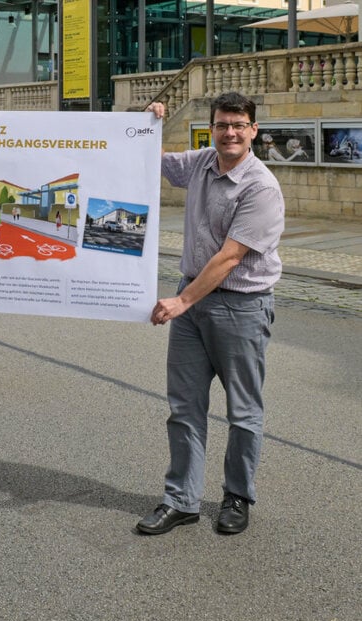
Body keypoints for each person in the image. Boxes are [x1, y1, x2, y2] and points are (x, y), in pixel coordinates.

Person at [138, 92, 284, 535]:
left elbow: (229, 258)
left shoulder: (261, 187)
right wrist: (147, 125)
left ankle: (237, 496)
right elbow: (149, 159)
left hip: (240, 306)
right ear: (213, 128)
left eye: (239, 125)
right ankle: (181, 499)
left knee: (242, 411)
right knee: (184, 406)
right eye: (223, 125)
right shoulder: (202, 162)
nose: (230, 133)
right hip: (193, 302)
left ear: (253, 130)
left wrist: (182, 301)